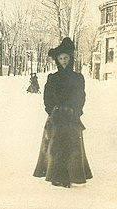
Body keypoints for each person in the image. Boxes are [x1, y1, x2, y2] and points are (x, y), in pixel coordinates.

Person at [33, 37, 93, 188]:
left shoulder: (77, 78)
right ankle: (55, 176)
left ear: (70, 58)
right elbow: (47, 97)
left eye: (66, 57)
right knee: (55, 147)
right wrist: (53, 111)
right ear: (57, 60)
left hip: (71, 117)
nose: (64, 61)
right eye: (60, 58)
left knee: (72, 148)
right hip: (56, 117)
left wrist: (75, 110)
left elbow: (81, 96)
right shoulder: (52, 78)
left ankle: (73, 176)